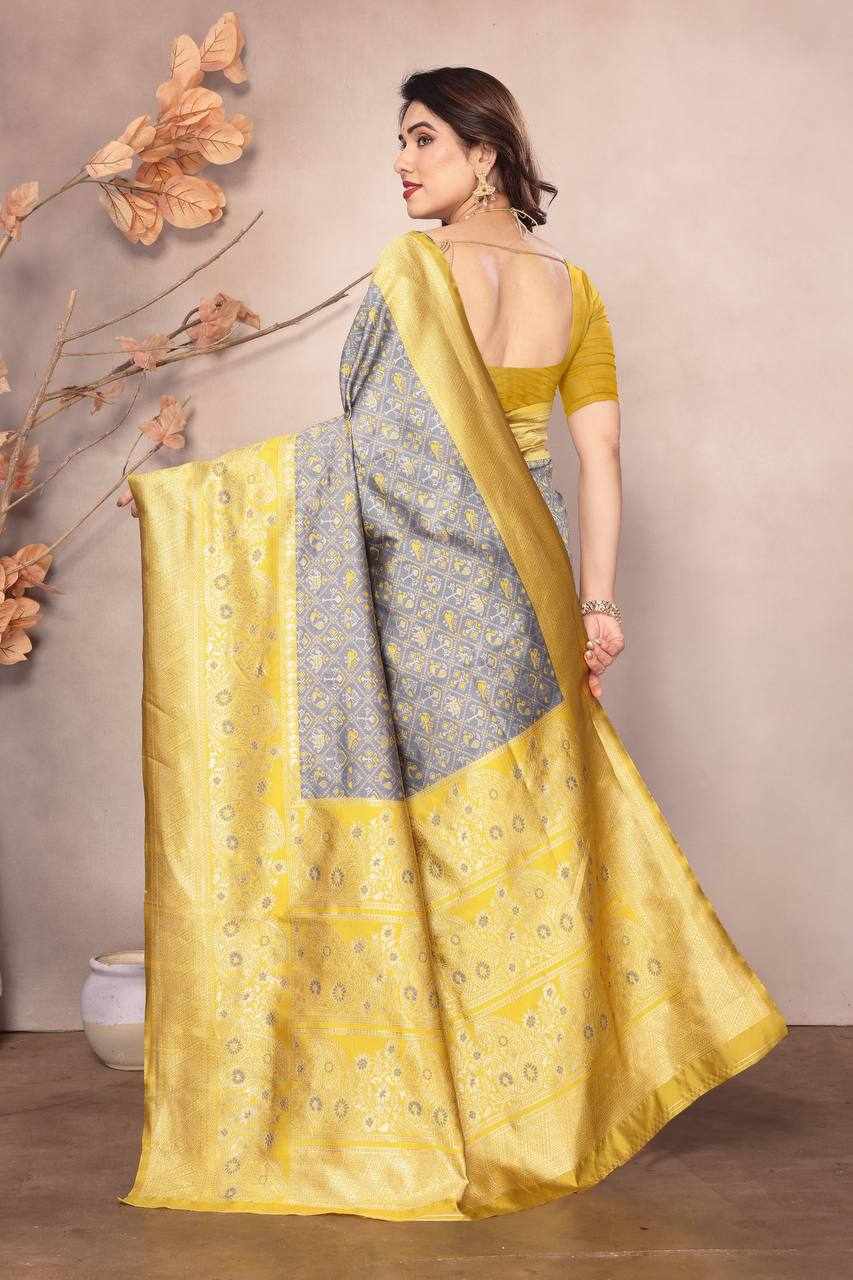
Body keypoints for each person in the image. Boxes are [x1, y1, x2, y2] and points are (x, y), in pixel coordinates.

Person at [118, 67, 788, 1221]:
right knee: (526, 831)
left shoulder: (415, 272)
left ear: (485, 154)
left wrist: (202, 499)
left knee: (431, 834)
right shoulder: (573, 289)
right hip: (534, 575)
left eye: (423, 138)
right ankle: (545, 1099)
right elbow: (599, 456)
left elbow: (372, 450)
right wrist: (597, 603)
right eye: (400, 140)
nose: (401, 161)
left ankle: (457, 1105)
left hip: (432, 577)